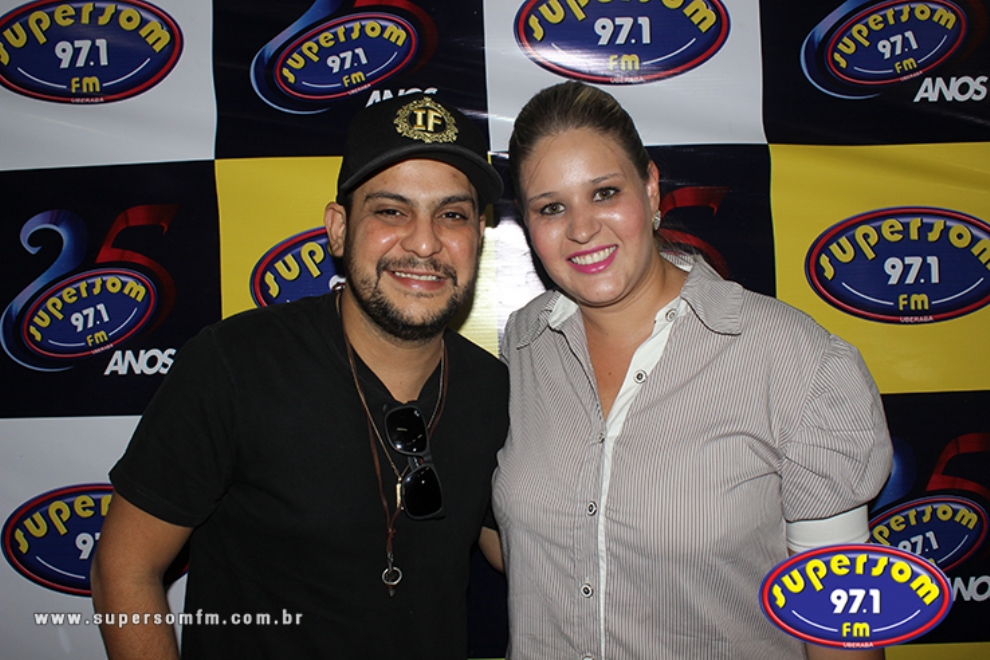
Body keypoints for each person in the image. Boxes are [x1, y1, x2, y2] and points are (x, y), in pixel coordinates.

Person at [90, 93, 509, 659]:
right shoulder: (234, 364)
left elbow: (524, 552)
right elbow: (124, 569)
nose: (424, 241)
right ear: (338, 228)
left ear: (478, 234)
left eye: (452, 215)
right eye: (391, 211)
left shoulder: (495, 390)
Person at [492, 81, 893, 659]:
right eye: (551, 207)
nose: (581, 228)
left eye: (604, 192)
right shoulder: (523, 345)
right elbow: (527, 546)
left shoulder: (795, 360)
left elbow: (841, 631)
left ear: (651, 189)